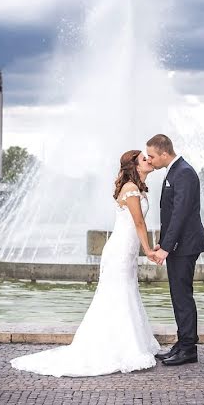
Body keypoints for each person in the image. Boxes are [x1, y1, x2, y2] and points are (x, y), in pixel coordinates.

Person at [10, 150, 161, 377]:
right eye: (144, 159)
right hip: (119, 251)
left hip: (126, 251)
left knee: (127, 293)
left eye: (148, 158)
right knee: (118, 295)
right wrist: (148, 250)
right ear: (134, 166)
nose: (149, 160)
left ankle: (128, 343)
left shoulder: (136, 188)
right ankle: (117, 348)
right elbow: (139, 223)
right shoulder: (130, 189)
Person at [146, 134, 204, 367]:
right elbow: (171, 214)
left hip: (185, 246)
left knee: (182, 296)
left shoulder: (184, 172)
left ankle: (189, 349)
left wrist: (166, 249)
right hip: (177, 245)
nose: (149, 160)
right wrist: (164, 243)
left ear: (164, 153)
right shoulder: (174, 171)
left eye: (152, 156)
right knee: (178, 295)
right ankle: (182, 343)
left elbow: (181, 213)